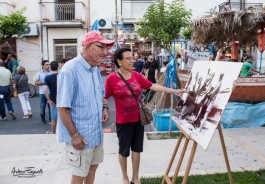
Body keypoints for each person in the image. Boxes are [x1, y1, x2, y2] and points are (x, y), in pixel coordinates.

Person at [104, 48, 183, 184]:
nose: (131, 61)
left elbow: (153, 86)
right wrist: (104, 109)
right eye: (128, 58)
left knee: (137, 149)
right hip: (123, 121)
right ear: (119, 61)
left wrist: (173, 91)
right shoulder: (111, 79)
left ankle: (135, 177)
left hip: (138, 119)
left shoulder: (136, 75)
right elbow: (104, 97)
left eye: (131, 58)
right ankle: (124, 177)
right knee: (123, 151)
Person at [56, 30, 112, 184]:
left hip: (95, 132)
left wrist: (104, 108)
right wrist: (74, 135)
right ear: (87, 47)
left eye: (106, 48)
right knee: (79, 174)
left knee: (93, 168)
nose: (104, 51)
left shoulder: (94, 68)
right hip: (81, 136)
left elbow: (100, 94)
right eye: (101, 47)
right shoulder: (69, 71)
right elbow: (62, 107)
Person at [35, 60, 51, 124]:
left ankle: (51, 120)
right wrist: (43, 83)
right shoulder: (39, 73)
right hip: (42, 93)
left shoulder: (51, 72)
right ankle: (43, 119)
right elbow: (36, 82)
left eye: (49, 64)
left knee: (51, 107)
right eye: (46, 64)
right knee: (42, 106)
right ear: (43, 66)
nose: (48, 66)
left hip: (50, 92)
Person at [44, 61, 59, 134]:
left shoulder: (47, 77)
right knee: (64, 116)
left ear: (50, 67)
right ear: (58, 67)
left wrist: (49, 100)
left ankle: (53, 132)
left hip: (53, 99)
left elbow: (45, 90)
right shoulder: (61, 75)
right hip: (62, 98)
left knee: (54, 118)